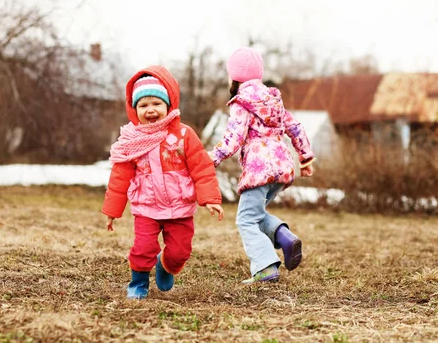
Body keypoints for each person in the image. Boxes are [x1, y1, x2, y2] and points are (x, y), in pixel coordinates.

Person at [103, 65, 224, 299]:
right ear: (134, 109)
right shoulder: (132, 141)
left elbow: (201, 167)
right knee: (143, 248)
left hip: (179, 207)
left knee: (180, 252)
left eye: (156, 104)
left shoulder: (183, 135)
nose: (150, 110)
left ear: (169, 105)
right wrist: (112, 210)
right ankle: (138, 283)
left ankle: (166, 265)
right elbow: (120, 177)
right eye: (143, 105)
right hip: (146, 206)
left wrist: (209, 198)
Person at [208, 47, 315, 284]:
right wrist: (305, 158)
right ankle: (283, 237)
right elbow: (295, 126)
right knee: (254, 214)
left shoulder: (242, 103)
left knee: (245, 220)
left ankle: (265, 267)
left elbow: (233, 139)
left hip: (259, 170)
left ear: (234, 77)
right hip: (282, 168)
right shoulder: (273, 99)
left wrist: (211, 159)